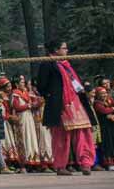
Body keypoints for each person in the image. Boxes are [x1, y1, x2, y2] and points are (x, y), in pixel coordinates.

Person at [37, 41, 95, 175]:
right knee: (61, 136)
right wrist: (53, 97)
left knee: (84, 132)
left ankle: (86, 163)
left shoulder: (67, 64)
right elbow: (41, 86)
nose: (67, 50)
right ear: (56, 50)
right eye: (64, 48)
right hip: (60, 105)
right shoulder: (47, 64)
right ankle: (60, 166)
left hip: (76, 102)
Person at [11, 76, 41, 171]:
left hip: (29, 117)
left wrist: (37, 102)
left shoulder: (26, 93)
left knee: (31, 138)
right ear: (16, 84)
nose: (23, 84)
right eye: (22, 82)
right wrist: (28, 106)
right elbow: (16, 107)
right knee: (24, 139)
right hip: (21, 117)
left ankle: (32, 162)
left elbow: (33, 103)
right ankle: (23, 164)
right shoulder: (15, 93)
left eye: (24, 82)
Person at [93, 87, 114, 170]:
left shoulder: (109, 100)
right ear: (97, 95)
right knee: (108, 144)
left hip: (113, 126)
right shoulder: (96, 102)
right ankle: (109, 164)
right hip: (104, 127)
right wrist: (113, 109)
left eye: (105, 93)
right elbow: (103, 110)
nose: (104, 95)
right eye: (102, 93)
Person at [29, 81, 54, 173]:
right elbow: (32, 105)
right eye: (35, 87)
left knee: (49, 141)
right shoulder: (30, 95)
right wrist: (39, 102)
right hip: (38, 121)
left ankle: (51, 162)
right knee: (42, 141)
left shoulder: (45, 94)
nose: (36, 88)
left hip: (47, 120)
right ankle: (43, 164)